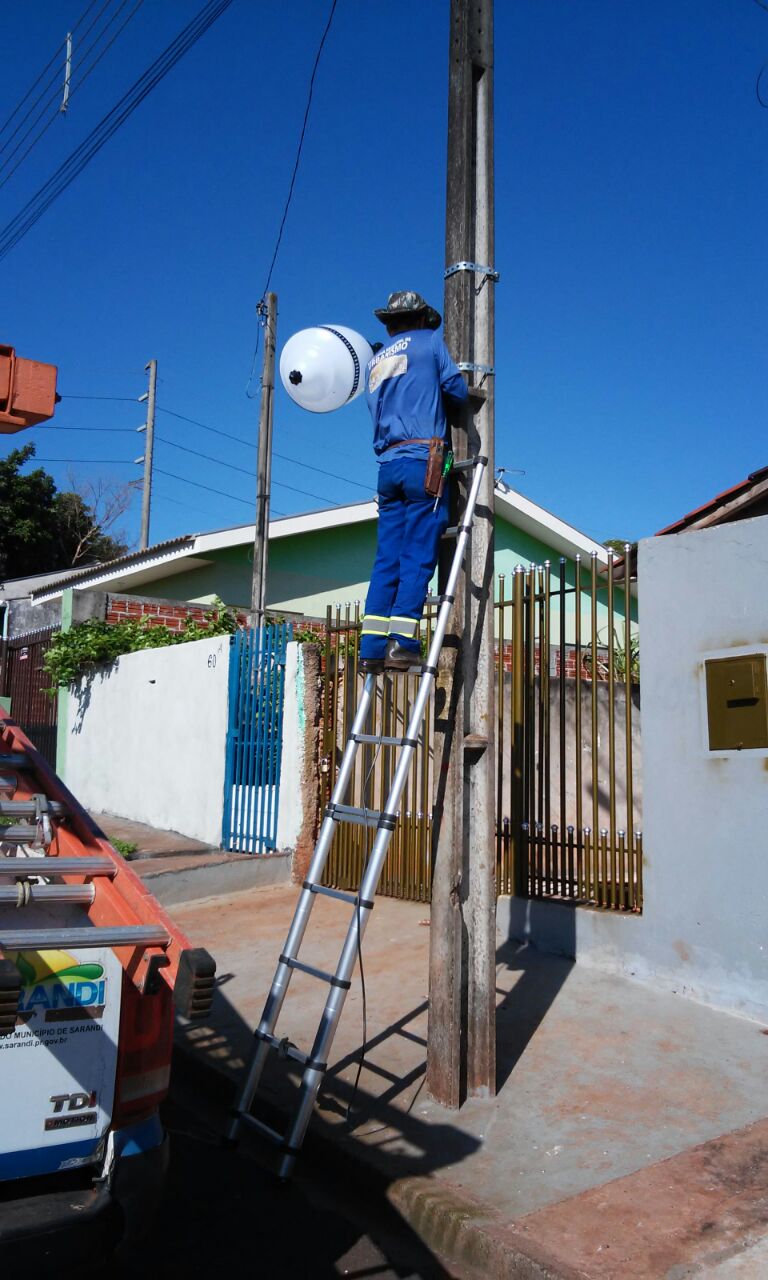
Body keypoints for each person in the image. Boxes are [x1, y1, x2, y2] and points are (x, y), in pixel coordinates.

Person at [359, 290, 468, 674]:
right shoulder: (429, 343)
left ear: (389, 323)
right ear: (422, 318)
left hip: (387, 466)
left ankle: (371, 647)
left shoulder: (375, 361)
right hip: (423, 458)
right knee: (420, 551)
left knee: (387, 555)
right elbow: (457, 390)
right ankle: (402, 644)